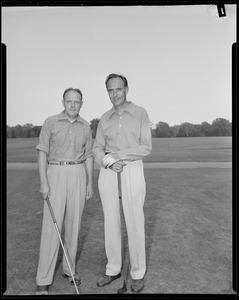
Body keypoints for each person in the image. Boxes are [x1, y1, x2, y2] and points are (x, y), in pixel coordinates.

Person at [93, 73, 152, 293]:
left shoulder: (140, 113)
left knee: (135, 221)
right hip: (109, 170)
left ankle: (137, 273)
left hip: (131, 167)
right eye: (110, 90)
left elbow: (146, 146)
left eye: (118, 89)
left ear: (126, 88)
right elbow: (97, 148)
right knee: (111, 220)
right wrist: (107, 161)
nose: (114, 94)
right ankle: (113, 268)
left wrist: (120, 156)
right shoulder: (104, 118)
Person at [35, 87, 94, 295]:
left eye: (77, 102)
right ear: (63, 102)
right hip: (56, 173)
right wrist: (44, 181)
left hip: (78, 173)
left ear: (81, 104)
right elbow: (42, 152)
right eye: (69, 101)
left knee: (74, 226)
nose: (73, 105)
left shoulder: (86, 126)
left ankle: (69, 270)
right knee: (52, 227)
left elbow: (88, 156)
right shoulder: (51, 122)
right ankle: (43, 279)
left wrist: (89, 183)